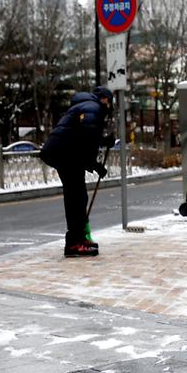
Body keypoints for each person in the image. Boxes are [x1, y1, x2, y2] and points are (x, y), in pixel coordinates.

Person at [40, 86, 114, 258]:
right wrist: (94, 163)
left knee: (78, 196)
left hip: (66, 154)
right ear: (104, 99)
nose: (110, 107)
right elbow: (88, 137)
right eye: (110, 102)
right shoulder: (92, 107)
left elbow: (84, 138)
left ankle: (78, 239)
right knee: (76, 197)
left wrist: (101, 146)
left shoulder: (86, 106)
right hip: (65, 154)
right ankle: (75, 243)